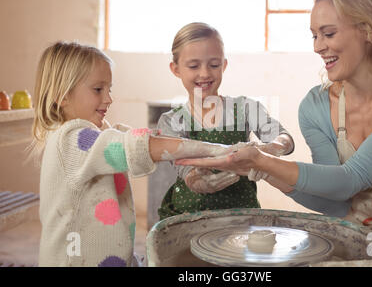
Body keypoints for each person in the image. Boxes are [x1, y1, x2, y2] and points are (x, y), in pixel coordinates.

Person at [176, 0, 372, 259]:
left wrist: (265, 160)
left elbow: (350, 180)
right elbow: (336, 201)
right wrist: (260, 171)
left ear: (368, 31)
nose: (318, 47)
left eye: (328, 34)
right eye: (314, 36)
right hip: (356, 238)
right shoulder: (315, 106)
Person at [32, 41, 245, 267]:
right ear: (62, 95)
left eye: (109, 89)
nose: (108, 99)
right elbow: (135, 146)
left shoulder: (100, 132)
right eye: (98, 89)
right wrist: (216, 150)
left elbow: (139, 139)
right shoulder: (70, 140)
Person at [157, 22, 295, 220]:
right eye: (194, 66)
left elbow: (284, 138)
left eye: (213, 65)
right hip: (187, 217)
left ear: (224, 65)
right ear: (176, 69)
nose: (204, 73)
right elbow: (183, 166)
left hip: (241, 216)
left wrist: (270, 149)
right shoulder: (171, 121)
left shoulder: (246, 108)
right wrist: (196, 180)